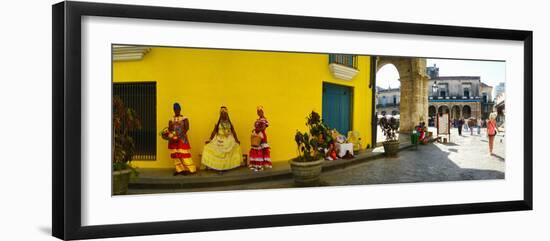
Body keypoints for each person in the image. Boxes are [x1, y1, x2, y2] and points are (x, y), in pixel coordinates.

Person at [201, 106, 242, 173]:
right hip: (219, 139)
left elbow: (233, 131)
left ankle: (226, 167)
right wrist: (210, 139)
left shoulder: (230, 123)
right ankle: (219, 168)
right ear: (220, 114)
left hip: (228, 139)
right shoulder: (218, 123)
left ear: (227, 114)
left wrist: (237, 140)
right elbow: (214, 131)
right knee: (212, 149)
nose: (223, 115)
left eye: (224, 113)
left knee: (232, 150)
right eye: (222, 113)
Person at [166, 103, 196, 176]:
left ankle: (188, 169)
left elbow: (187, 128)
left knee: (184, 154)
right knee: (176, 155)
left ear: (180, 109)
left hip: (182, 139)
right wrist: (168, 134)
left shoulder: (184, 118)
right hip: (173, 140)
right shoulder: (171, 119)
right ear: (173, 110)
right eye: (175, 109)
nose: (176, 111)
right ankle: (179, 169)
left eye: (178, 109)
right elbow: (169, 128)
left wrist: (180, 135)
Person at [248, 106, 272, 172]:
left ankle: (260, 166)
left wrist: (256, 130)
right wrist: (254, 130)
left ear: (262, 112)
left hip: (261, 136)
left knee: (260, 150)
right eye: (258, 112)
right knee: (256, 148)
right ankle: (256, 165)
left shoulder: (264, 119)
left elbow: (263, 128)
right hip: (257, 135)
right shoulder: (258, 119)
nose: (259, 113)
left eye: (260, 111)